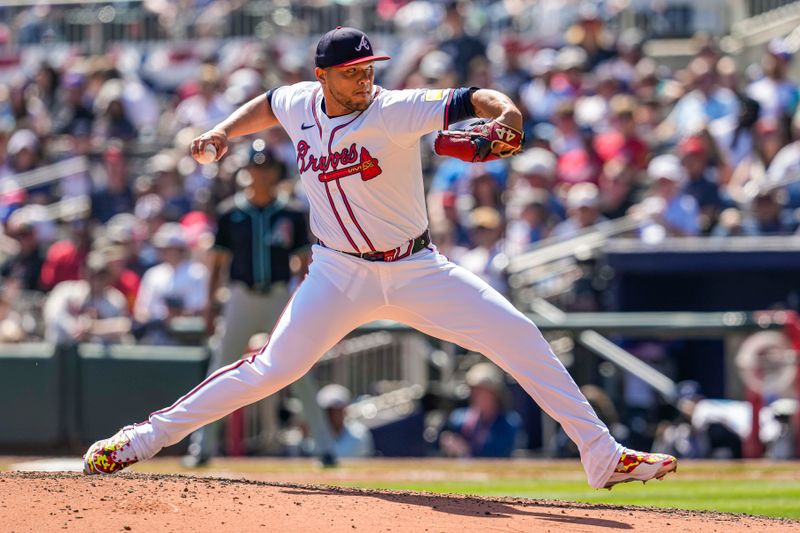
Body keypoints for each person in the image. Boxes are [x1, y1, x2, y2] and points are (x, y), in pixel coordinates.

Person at [83, 26, 676, 489]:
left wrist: (508, 114)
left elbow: (475, 98)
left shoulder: (394, 108)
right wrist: (221, 131)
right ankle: (143, 439)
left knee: (516, 332)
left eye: (369, 66)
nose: (364, 77)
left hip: (415, 268)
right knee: (271, 371)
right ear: (323, 76)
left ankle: (601, 453)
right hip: (337, 271)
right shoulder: (300, 103)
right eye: (351, 70)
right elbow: (268, 103)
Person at [183, 140, 336, 467]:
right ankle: (203, 447)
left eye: (266, 168)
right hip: (241, 296)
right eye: (256, 167)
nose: (261, 174)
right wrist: (210, 306)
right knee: (219, 370)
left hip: (280, 296)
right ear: (247, 171)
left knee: (298, 368)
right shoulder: (231, 213)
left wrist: (307, 304)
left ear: (275, 173)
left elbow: (303, 264)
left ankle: (324, 446)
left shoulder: (291, 213)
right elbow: (218, 264)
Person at [439, 362, 521, 458]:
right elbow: (435, 445)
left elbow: (499, 454)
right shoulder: (458, 418)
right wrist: (446, 441)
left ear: (495, 394)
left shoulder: (509, 422)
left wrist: (465, 451)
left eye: (483, 391)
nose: (477, 395)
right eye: (474, 390)